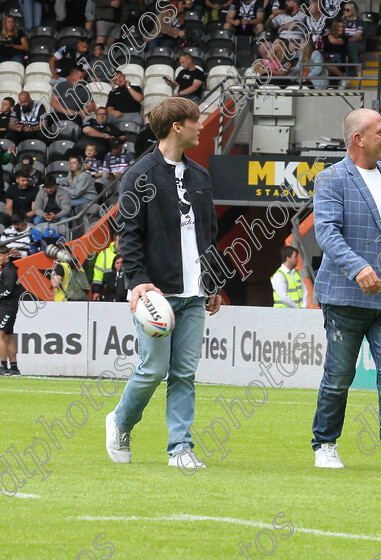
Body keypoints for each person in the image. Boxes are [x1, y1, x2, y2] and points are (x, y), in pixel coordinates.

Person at [104, 97, 225, 469]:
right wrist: (138, 282)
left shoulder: (201, 176)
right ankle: (121, 422)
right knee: (153, 370)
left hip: (195, 292)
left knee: (184, 373)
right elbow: (129, 235)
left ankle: (180, 448)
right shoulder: (139, 176)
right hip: (156, 292)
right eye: (195, 121)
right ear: (177, 127)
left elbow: (209, 234)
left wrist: (214, 282)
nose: (200, 126)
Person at [311, 108, 381, 473]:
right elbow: (326, 232)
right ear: (358, 138)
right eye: (380, 131)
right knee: (339, 375)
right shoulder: (331, 179)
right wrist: (358, 266)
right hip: (346, 297)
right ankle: (325, 443)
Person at [0, 246, 20, 375]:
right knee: (7, 337)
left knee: (0, 335)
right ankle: (14, 367)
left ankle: (2, 366)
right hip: (8, 306)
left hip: (7, 306)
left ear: (6, 255)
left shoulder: (9, 271)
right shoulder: (7, 268)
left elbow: (8, 290)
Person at [91, 235, 118, 301]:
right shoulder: (104, 254)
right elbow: (98, 275)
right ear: (114, 241)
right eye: (119, 241)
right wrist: (96, 291)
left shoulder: (128, 253)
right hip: (109, 290)